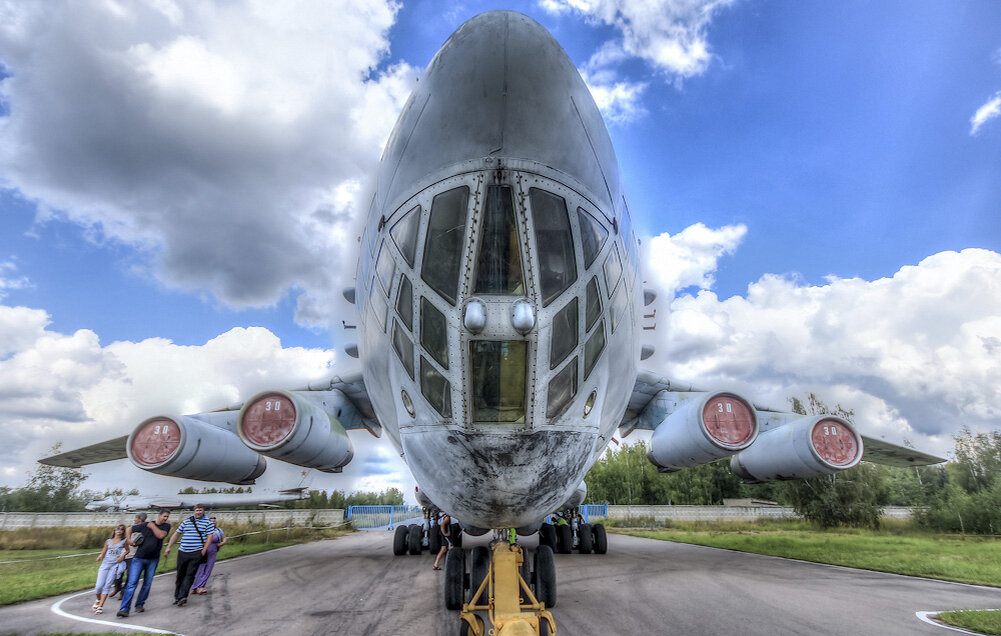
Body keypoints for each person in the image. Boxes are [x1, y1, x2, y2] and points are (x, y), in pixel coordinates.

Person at [118, 509, 171, 618]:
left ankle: (140, 604)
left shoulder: (166, 526)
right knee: (132, 583)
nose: (165, 518)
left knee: (147, 584)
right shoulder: (146, 525)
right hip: (139, 558)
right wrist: (128, 540)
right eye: (164, 516)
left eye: (167, 517)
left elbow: (160, 535)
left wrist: (152, 526)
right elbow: (129, 529)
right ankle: (124, 609)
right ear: (159, 515)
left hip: (153, 559)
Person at [164, 504, 216, 607]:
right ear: (194, 511)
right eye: (197, 510)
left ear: (204, 511)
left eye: (200, 510)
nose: (198, 512)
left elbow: (210, 537)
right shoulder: (187, 521)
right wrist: (169, 547)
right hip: (183, 552)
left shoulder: (208, 522)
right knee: (180, 575)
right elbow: (176, 534)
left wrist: (204, 550)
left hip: (196, 552)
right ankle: (177, 596)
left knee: (190, 575)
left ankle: (183, 596)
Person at [92, 525, 127, 614]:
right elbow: (104, 551)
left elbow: (127, 550)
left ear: (123, 532)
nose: (119, 530)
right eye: (118, 529)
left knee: (107, 585)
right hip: (105, 564)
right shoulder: (108, 541)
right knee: (98, 587)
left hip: (114, 565)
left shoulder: (124, 541)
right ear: (114, 531)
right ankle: (98, 599)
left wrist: (122, 556)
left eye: (122, 529)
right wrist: (100, 556)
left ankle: (101, 606)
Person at [190, 516, 226, 594]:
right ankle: (195, 587)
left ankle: (202, 587)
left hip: (213, 551)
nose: (213, 522)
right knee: (200, 568)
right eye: (211, 521)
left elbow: (224, 539)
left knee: (208, 568)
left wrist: (221, 544)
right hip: (203, 550)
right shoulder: (204, 530)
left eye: (214, 521)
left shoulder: (219, 530)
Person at [114, 513, 144, 599]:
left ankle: (123, 592)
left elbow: (136, 543)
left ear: (139, 519)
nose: (134, 519)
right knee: (117, 573)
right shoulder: (130, 529)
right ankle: (117, 588)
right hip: (124, 554)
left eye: (135, 518)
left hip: (133, 556)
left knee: (130, 574)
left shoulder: (143, 531)